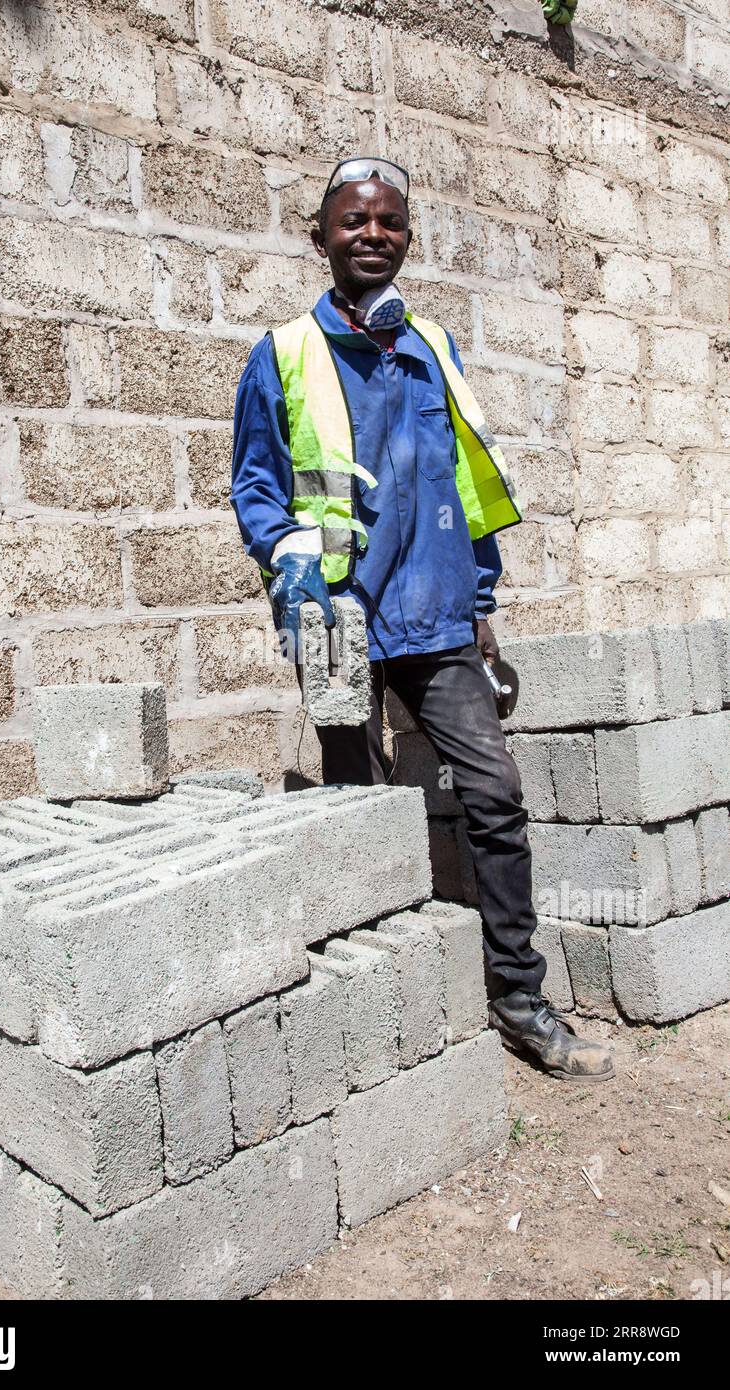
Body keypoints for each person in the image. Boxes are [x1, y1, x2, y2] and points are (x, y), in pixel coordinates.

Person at [231, 155, 613, 1083]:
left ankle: (519, 997)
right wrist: (287, 559)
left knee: (493, 795)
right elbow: (255, 484)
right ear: (320, 236)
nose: (373, 234)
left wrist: (482, 602)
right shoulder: (282, 353)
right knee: (358, 813)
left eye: (390, 222)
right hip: (335, 624)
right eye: (354, 221)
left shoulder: (433, 345)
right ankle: (370, 1013)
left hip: (437, 616)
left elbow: (466, 487)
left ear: (408, 237)